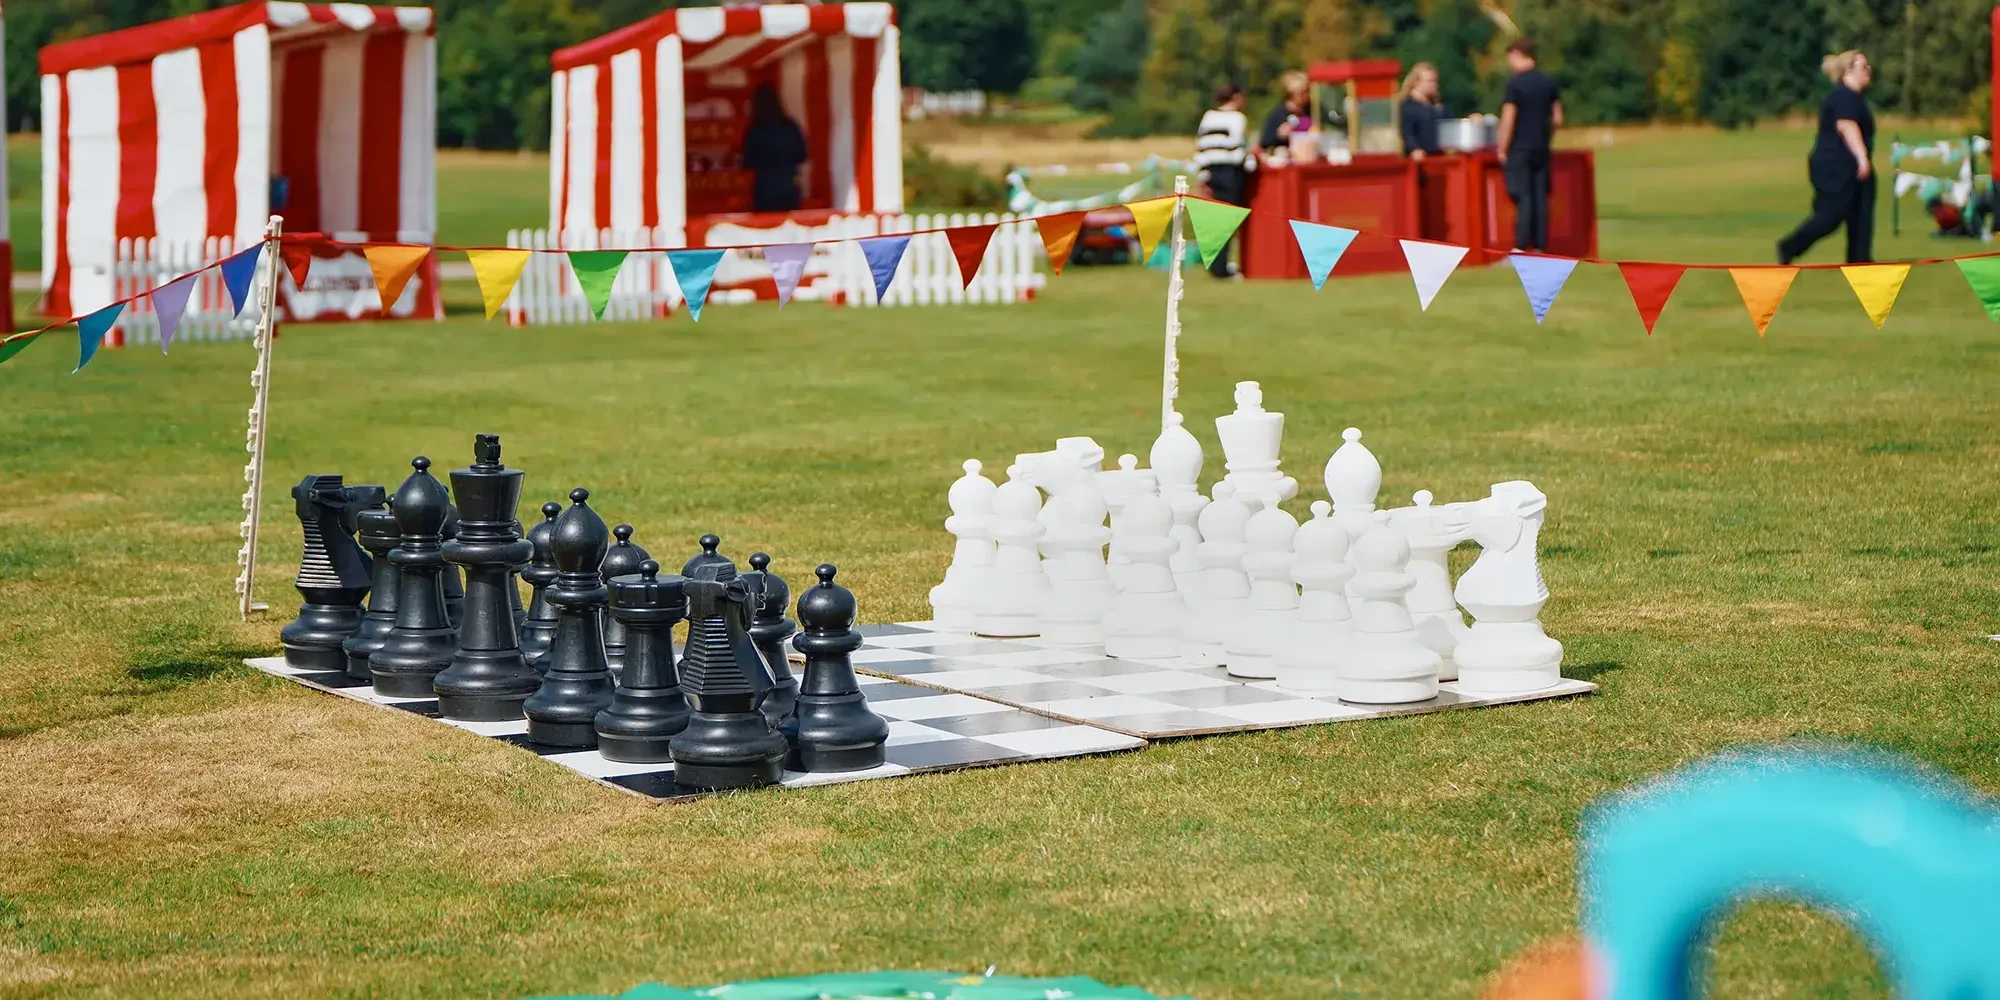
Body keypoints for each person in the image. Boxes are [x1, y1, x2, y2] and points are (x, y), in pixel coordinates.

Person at [1777, 51, 1877, 264]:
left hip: (1854, 168)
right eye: (1864, 66)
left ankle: (1860, 263)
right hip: (1835, 168)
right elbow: (1846, 126)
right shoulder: (1843, 96)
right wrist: (1862, 157)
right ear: (1848, 71)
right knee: (1830, 216)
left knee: (1861, 217)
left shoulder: (1857, 98)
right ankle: (1789, 247)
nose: (1869, 70)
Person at [1496, 37, 1563, 251]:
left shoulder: (1515, 84)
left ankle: (1520, 245)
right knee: (1540, 196)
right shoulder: (1548, 82)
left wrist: (1502, 148)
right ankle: (1541, 246)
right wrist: (1546, 137)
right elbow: (1557, 118)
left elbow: (1508, 118)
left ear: (1517, 54)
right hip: (1541, 148)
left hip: (1520, 148)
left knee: (1523, 197)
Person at [1195, 82, 1255, 278]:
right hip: (1231, 171)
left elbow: (1202, 148)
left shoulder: (1208, 117)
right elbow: (1238, 149)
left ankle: (1216, 264)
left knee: (1217, 220)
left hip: (1212, 171)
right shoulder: (1238, 118)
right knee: (1229, 220)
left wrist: (1203, 175)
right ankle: (1222, 269)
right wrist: (1251, 163)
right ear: (1236, 98)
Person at [743, 86, 808, 214]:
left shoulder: (755, 129)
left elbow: (748, 160)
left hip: (764, 189)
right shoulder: (791, 126)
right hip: (789, 186)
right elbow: (803, 155)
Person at [1257, 71, 1313, 159]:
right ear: (1292, 94)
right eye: (1304, 92)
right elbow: (1265, 142)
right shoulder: (1278, 115)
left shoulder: (1312, 111)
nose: (1308, 96)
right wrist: (1279, 135)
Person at [1399, 62, 1449, 159]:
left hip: (1440, 157)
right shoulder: (1407, 106)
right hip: (1418, 161)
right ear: (1416, 81)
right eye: (1430, 81)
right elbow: (1406, 132)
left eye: (1435, 81)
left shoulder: (1438, 106)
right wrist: (1414, 149)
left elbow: (1450, 124)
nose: (1434, 85)